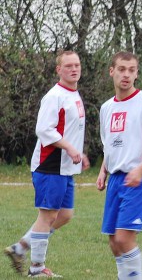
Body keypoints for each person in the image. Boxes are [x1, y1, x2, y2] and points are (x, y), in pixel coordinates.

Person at [4, 51, 90, 277]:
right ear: (58, 70)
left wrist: (79, 152)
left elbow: (70, 130)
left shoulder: (75, 94)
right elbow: (43, 129)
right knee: (48, 216)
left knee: (65, 215)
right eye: (68, 66)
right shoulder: (55, 96)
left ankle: (19, 248)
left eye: (77, 65)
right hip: (49, 165)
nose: (74, 69)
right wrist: (70, 149)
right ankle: (36, 269)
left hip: (65, 167)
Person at [96, 52, 142, 280]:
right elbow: (108, 144)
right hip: (117, 179)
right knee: (113, 241)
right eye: (121, 69)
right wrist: (104, 169)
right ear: (112, 71)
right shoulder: (106, 108)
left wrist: (140, 168)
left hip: (141, 178)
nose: (126, 74)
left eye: (131, 70)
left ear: (137, 73)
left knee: (124, 239)